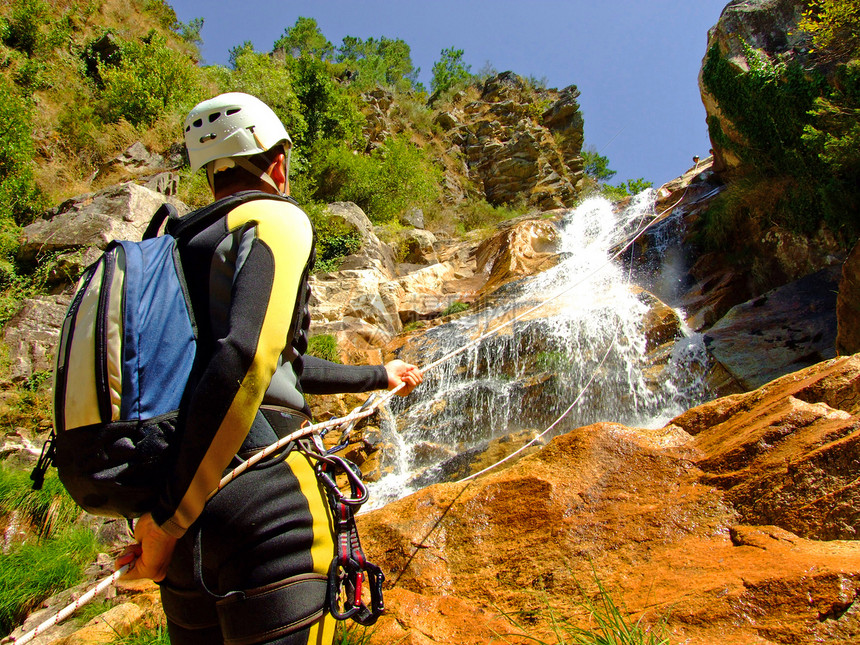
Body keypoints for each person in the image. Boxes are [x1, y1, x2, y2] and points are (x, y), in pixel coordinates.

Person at [116, 92, 423, 644]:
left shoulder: (177, 244)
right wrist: (167, 523)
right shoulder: (277, 217)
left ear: (211, 173)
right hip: (268, 505)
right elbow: (247, 359)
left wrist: (381, 375)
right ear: (277, 163)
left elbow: (279, 365)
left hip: (189, 537)